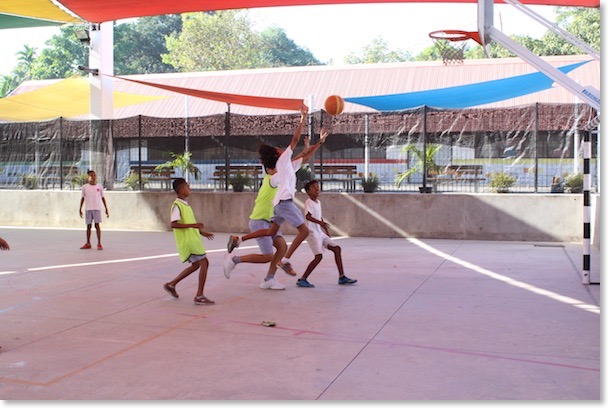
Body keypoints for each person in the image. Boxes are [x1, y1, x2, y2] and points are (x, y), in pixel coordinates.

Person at [226, 107, 329, 289]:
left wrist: (318, 143)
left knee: (277, 242)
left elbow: (302, 158)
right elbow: (295, 141)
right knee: (304, 232)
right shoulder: (275, 173)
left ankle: (268, 277)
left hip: (276, 209)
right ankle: (281, 261)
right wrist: (302, 118)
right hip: (280, 206)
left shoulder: (285, 167)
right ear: (276, 157)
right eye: (279, 150)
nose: (283, 149)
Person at [296, 179, 357, 288]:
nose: (317, 189)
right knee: (318, 257)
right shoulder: (308, 202)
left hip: (320, 232)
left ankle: (342, 277)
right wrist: (321, 223)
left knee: (337, 249)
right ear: (308, 191)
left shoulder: (318, 202)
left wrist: (326, 231)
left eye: (317, 186)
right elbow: (308, 216)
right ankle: (302, 279)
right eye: (314, 187)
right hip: (312, 233)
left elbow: (319, 218)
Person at [164, 178, 216, 305]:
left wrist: (201, 232)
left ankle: (171, 284)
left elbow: (188, 224)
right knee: (204, 263)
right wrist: (194, 225)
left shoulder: (184, 205)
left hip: (192, 240)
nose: (190, 188)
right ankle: (199, 295)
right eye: (187, 186)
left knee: (196, 265)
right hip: (188, 242)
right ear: (181, 190)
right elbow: (173, 224)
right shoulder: (177, 206)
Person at [79, 170, 109, 250]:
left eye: (94, 175)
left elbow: (102, 197)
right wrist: (80, 209)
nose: (93, 177)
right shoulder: (85, 187)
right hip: (88, 209)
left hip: (97, 208)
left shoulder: (99, 187)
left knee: (97, 225)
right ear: (88, 177)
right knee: (88, 226)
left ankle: (99, 243)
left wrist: (106, 208)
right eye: (91, 175)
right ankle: (88, 243)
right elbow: (82, 198)